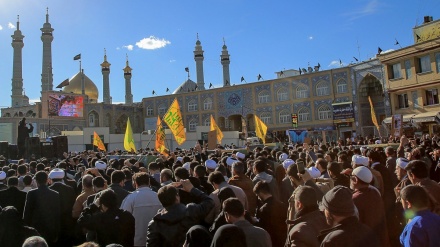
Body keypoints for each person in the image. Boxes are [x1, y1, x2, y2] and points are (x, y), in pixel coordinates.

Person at [147, 179, 214, 246]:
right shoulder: (191, 211)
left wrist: (164, 190)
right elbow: (209, 202)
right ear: (177, 198)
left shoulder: (154, 223)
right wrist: (192, 189)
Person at [350, 166, 390, 247]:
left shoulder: (355, 199)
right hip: (379, 239)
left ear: (355, 180)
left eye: (351, 177)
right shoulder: (375, 193)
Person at [121, 172, 162, 247]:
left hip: (136, 240)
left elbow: (123, 218)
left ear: (135, 183)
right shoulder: (158, 197)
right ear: (149, 182)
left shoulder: (130, 198)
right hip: (156, 239)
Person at [23, 171, 61, 245]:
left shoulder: (31, 193)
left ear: (36, 181)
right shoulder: (55, 194)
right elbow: (57, 214)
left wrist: (26, 229)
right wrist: (57, 231)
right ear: (47, 180)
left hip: (35, 228)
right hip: (50, 228)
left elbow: (27, 213)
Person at [253, 180, 286, 247]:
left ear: (261, 193)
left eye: (258, 195)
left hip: (271, 241)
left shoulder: (263, 209)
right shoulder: (282, 205)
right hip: (282, 240)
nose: (258, 198)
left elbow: (262, 227)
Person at [48, 168, 76, 246]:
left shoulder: (49, 190)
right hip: (68, 223)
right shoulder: (70, 189)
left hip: (53, 224)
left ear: (51, 179)